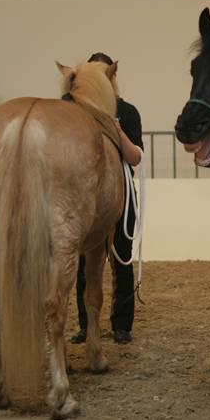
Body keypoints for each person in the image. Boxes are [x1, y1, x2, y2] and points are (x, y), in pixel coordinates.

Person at [64, 52, 143, 345]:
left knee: (121, 260)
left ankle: (122, 324)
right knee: (84, 263)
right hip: (84, 197)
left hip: (121, 194)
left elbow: (135, 157)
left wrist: (116, 129)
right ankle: (87, 325)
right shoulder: (73, 109)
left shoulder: (128, 111)